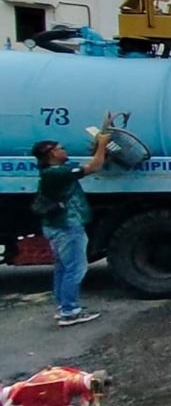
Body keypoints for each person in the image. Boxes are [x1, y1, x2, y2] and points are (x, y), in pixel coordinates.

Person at [31, 134, 109, 327]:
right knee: (75, 268)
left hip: (56, 226)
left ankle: (63, 307)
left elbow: (89, 162)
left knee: (63, 268)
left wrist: (98, 148)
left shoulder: (55, 171)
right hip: (67, 225)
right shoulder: (57, 173)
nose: (64, 150)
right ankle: (70, 311)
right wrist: (102, 144)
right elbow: (94, 167)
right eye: (60, 148)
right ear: (51, 154)